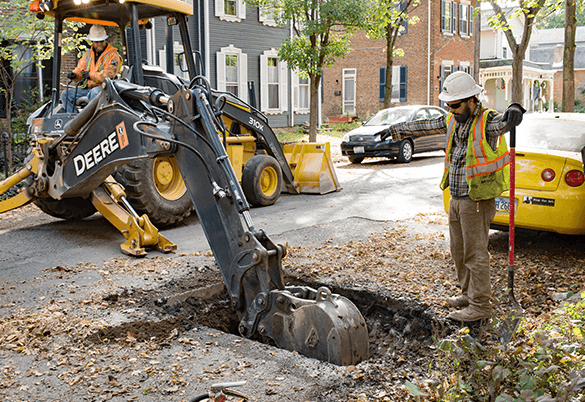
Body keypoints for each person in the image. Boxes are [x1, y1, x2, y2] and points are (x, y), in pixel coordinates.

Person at [381, 71, 525, 322]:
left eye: (455, 105)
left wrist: (515, 109)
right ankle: (468, 295)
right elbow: (422, 125)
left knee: (475, 252)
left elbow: (506, 121)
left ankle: (480, 306)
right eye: (448, 105)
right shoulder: (452, 120)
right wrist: (395, 129)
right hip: (456, 197)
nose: (451, 110)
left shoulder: (486, 122)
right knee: (458, 251)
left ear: (472, 100)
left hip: (476, 199)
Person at [60, 24, 122, 113]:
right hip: (89, 88)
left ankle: (93, 121)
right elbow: (80, 69)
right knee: (65, 95)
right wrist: (74, 75)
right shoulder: (88, 55)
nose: (99, 43)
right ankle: (76, 121)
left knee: (93, 93)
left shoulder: (112, 55)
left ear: (105, 40)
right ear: (92, 41)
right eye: (97, 42)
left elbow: (109, 74)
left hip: (105, 88)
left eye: (101, 41)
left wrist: (90, 75)